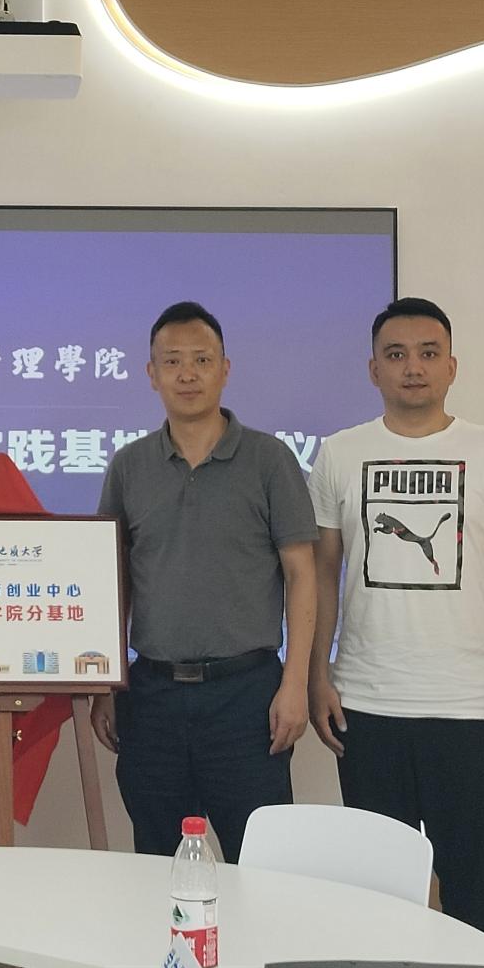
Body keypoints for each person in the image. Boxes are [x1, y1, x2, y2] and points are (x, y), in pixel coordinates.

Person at [308, 296, 484, 941]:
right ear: (373, 369)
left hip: (469, 709)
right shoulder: (339, 454)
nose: (413, 367)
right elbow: (322, 574)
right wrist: (317, 675)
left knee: (471, 892)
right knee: (378, 895)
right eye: (397, 354)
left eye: (428, 353)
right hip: (367, 705)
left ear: (451, 367)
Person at [91, 300, 318, 862]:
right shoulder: (129, 466)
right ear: (152, 374)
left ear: (225, 369)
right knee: (155, 863)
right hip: (152, 697)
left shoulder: (269, 460)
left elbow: (301, 574)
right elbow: (111, 582)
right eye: (172, 361)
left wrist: (294, 684)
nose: (187, 374)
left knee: (260, 866)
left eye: (201, 359)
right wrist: (106, 685)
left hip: (247, 696)